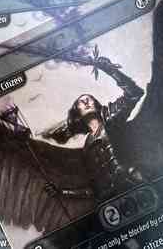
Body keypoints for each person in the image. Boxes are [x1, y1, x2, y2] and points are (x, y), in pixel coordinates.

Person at [45, 56, 146, 201]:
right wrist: (62, 193)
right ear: (77, 113)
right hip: (115, 200)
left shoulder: (111, 118)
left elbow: (134, 93)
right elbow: (95, 190)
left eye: (89, 99)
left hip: (139, 185)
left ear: (96, 104)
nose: (86, 101)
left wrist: (110, 70)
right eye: (81, 101)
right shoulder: (87, 148)